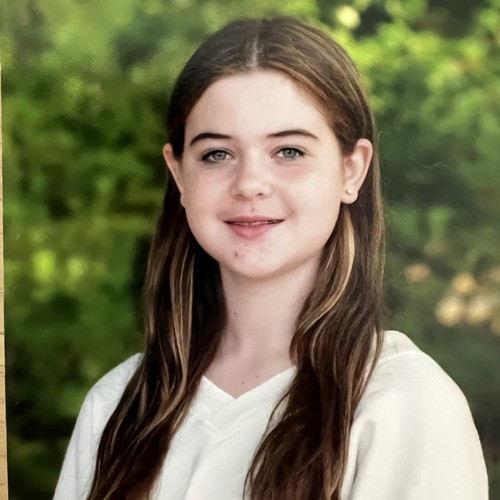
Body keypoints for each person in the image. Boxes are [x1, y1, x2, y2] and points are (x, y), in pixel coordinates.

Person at [54, 16, 488, 500]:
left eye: (289, 151)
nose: (250, 184)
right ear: (179, 175)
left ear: (352, 170)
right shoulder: (116, 405)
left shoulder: (403, 401)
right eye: (217, 154)